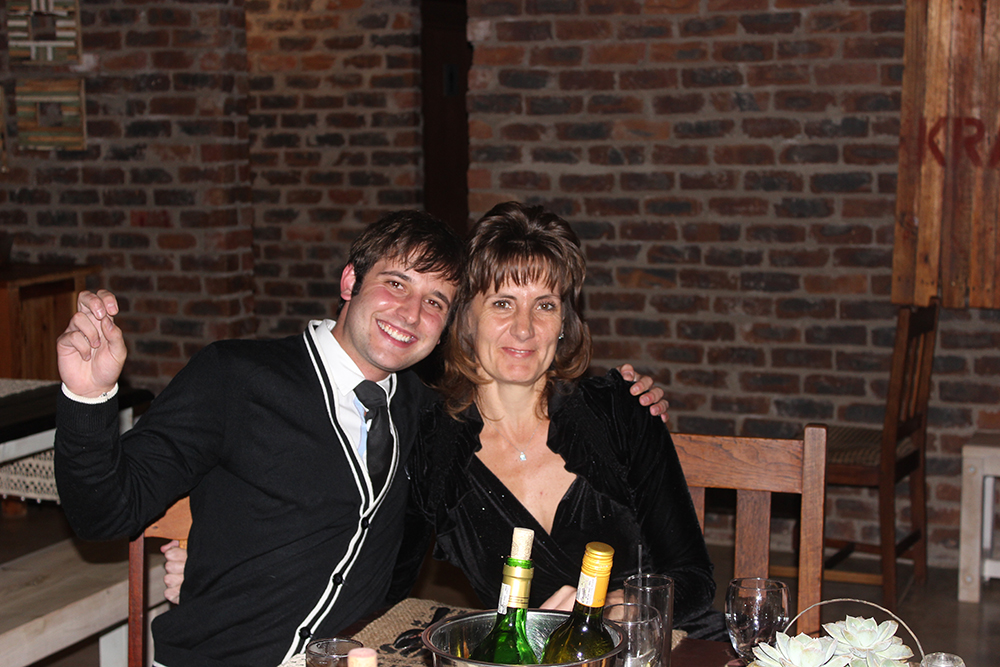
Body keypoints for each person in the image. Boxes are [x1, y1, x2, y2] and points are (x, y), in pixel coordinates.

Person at [55, 208, 668, 667]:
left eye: (436, 301)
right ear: (350, 280)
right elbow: (105, 512)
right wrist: (89, 399)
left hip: (354, 655)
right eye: (395, 284)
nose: (410, 314)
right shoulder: (236, 376)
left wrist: (632, 408)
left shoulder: (426, 416)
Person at [395, 201, 723, 637]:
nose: (524, 328)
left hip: (664, 644)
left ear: (565, 322)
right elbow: (390, 584)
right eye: (503, 303)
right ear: (466, 319)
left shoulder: (619, 410)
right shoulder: (434, 446)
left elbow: (693, 579)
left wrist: (613, 609)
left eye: (545, 306)